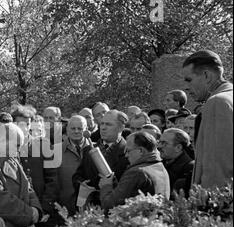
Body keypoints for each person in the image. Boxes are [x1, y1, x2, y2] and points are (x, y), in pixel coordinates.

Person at [182, 50, 233, 188]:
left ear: (206, 75)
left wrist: (207, 207)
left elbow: (217, 171)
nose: (186, 87)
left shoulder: (218, 102)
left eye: (189, 79)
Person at [12, 106, 59, 227]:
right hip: (16, 212)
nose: (24, 128)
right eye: (19, 124)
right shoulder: (6, 149)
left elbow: (53, 180)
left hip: (41, 211)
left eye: (27, 124)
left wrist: (44, 208)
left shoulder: (44, 146)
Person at [99, 132, 170, 211]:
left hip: (138, 221)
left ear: (141, 151)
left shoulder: (136, 172)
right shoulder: (159, 166)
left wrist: (106, 186)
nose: (126, 155)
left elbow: (109, 205)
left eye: (128, 151)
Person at [72, 110, 130, 205]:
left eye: (108, 124)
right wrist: (82, 183)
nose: (103, 128)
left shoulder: (128, 151)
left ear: (121, 127)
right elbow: (77, 175)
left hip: (114, 208)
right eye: (102, 124)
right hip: (90, 208)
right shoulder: (89, 149)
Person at [57, 115, 91, 216]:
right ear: (67, 130)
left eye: (80, 128)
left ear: (86, 130)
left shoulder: (96, 151)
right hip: (63, 208)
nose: (76, 131)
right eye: (73, 128)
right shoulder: (55, 151)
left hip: (90, 209)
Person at [158, 128, 194, 197]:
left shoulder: (189, 168)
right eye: (159, 142)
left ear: (178, 147)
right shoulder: (160, 164)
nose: (159, 146)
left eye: (164, 143)